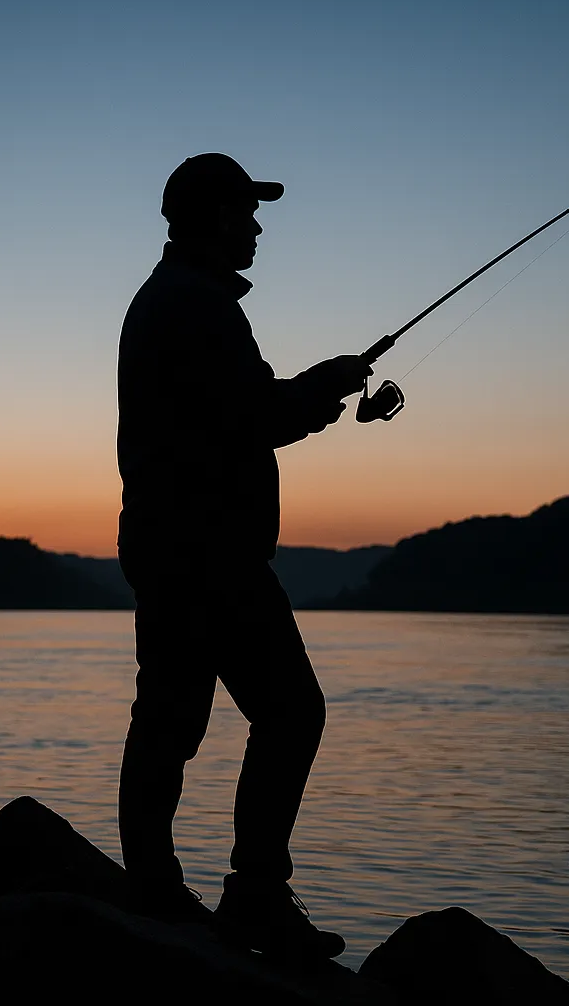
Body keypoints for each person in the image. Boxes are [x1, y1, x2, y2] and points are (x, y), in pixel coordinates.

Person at [115, 152, 371, 958]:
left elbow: (239, 414)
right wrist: (326, 383)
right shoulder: (199, 306)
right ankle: (254, 894)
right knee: (291, 712)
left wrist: (308, 398)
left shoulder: (170, 300)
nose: (257, 227)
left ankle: (153, 889)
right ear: (211, 217)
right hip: (208, 552)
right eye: (245, 212)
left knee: (168, 718)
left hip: (167, 544)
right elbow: (255, 414)